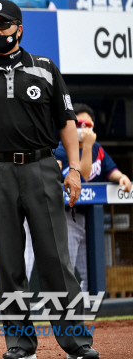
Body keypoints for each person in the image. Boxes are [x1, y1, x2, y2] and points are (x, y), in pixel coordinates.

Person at [0, 0, 98, 359]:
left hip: (42, 169)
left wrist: (74, 168)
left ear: (19, 28)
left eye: (3, 25)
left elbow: (66, 122)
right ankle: (20, 344)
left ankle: (76, 343)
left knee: (55, 261)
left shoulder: (45, 69)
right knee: (8, 265)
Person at [54, 103, 132, 291]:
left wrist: (122, 177)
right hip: (67, 217)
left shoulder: (97, 149)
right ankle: (64, 310)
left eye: (88, 125)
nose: (84, 129)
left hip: (90, 220)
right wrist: (87, 146)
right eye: (80, 124)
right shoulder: (61, 148)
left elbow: (110, 169)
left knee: (92, 270)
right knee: (67, 268)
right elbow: (83, 178)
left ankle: (91, 311)